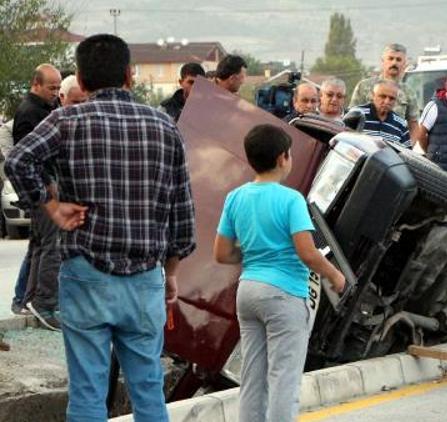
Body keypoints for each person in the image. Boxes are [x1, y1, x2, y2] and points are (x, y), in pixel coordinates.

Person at [4, 34, 196, 420]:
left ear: (82, 80)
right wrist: (171, 273)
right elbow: (182, 214)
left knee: (88, 393)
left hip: (86, 274)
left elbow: (17, 162)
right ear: (129, 76)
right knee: (148, 392)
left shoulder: (65, 120)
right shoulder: (164, 126)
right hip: (145, 280)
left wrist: (52, 206)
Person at [213, 124, 345, 422]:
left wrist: (252, 254)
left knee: (252, 378)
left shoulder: (235, 197)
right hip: (284, 294)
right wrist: (335, 275)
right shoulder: (291, 200)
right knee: (284, 379)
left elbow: (221, 253)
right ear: (284, 157)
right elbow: (307, 252)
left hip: (248, 290)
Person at [10, 64, 62, 328]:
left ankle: (25, 298)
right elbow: (24, 157)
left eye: (58, 88)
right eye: (51, 88)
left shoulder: (45, 109)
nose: (55, 93)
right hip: (43, 191)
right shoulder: (30, 113)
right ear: (36, 84)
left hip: (44, 189)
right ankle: (44, 303)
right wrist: (46, 185)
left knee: (39, 245)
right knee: (50, 245)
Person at [349, 43, 419, 136]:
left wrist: (408, 147)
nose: (394, 63)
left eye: (398, 60)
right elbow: (351, 118)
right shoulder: (364, 86)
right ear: (383, 61)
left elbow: (413, 125)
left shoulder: (408, 92)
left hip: (394, 146)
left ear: (404, 63)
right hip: (366, 145)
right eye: (390, 58)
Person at [349, 80, 410, 147]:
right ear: (373, 96)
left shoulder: (401, 124)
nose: (387, 101)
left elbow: (406, 153)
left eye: (391, 98)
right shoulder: (357, 114)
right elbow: (343, 141)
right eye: (383, 96)